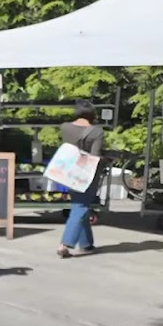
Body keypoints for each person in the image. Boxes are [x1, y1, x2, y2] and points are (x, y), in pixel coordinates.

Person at [57, 99, 105, 258]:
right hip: (87, 174)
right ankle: (65, 244)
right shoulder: (97, 131)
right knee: (81, 207)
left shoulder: (65, 127)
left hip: (69, 171)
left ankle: (86, 244)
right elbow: (95, 156)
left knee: (79, 203)